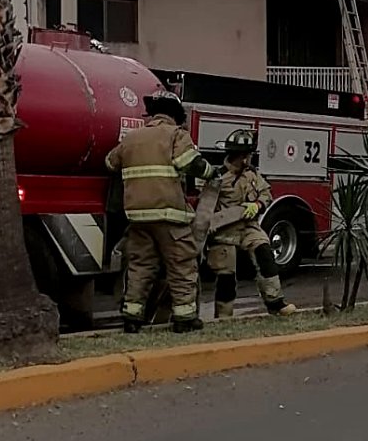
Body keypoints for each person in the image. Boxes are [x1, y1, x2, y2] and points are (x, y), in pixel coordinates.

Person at [106, 90, 210, 332]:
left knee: (140, 266)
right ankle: (184, 318)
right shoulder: (176, 135)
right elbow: (191, 164)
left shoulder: (131, 138)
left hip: (137, 217)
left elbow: (110, 163)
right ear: (175, 114)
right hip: (169, 215)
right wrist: (211, 173)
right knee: (182, 264)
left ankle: (132, 318)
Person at [201, 130, 297, 319]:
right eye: (248, 154)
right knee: (226, 277)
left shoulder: (252, 174)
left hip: (248, 227)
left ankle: (276, 303)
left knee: (265, 255)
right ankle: (223, 318)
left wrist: (258, 205)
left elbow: (266, 194)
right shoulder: (217, 178)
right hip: (224, 231)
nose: (250, 158)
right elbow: (204, 209)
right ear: (243, 156)